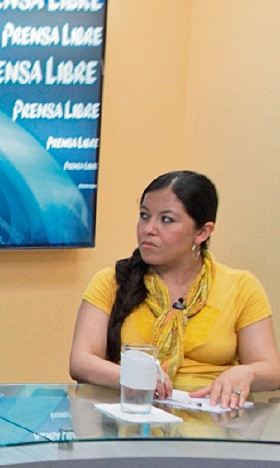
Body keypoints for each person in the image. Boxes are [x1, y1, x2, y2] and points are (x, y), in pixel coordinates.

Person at [69, 170, 280, 407]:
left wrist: (246, 374)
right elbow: (81, 361)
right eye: (144, 215)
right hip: (134, 415)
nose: (149, 229)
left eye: (166, 220)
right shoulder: (112, 281)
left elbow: (271, 371)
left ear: (203, 232)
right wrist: (134, 378)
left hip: (214, 424)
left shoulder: (241, 287)